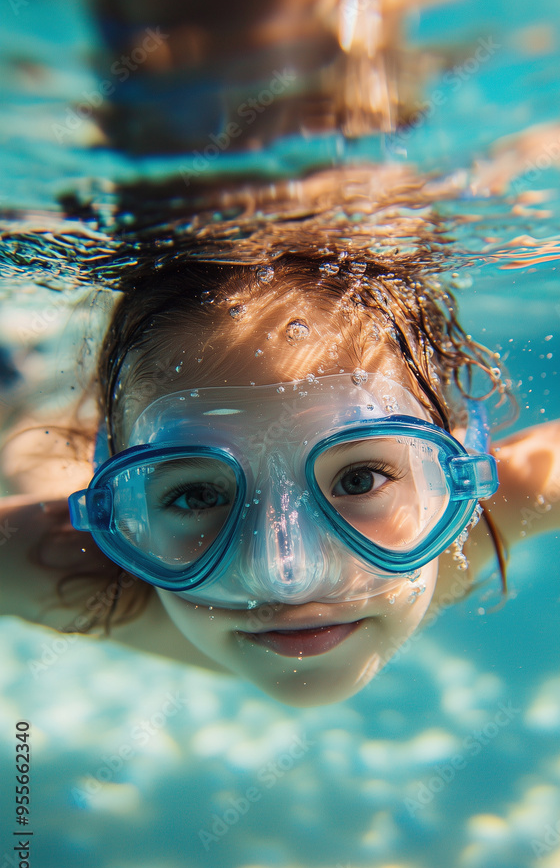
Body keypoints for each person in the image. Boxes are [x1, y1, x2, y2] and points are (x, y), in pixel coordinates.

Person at [0, 250, 559, 707]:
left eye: (360, 480)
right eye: (197, 494)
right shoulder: (67, 568)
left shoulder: (508, 496)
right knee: (30, 460)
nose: (285, 576)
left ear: (459, 473)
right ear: (114, 516)